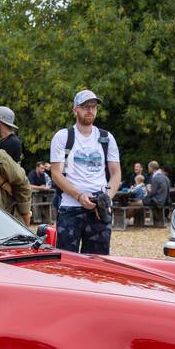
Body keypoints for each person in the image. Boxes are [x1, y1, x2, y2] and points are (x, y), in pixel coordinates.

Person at [49, 90, 121, 254]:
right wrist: (80, 196)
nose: (90, 110)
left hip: (98, 210)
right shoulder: (63, 137)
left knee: (98, 263)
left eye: (93, 107)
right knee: (67, 262)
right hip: (70, 207)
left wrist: (105, 199)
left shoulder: (106, 137)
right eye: (85, 106)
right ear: (75, 110)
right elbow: (56, 173)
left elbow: (116, 173)